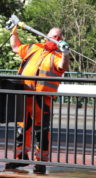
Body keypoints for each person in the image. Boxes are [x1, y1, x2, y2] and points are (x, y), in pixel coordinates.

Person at [5, 26, 70, 174]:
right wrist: (13, 31)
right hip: (25, 97)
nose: (56, 39)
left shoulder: (57, 55)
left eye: (58, 37)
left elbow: (63, 66)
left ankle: (40, 162)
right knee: (22, 129)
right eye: (53, 36)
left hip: (42, 100)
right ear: (46, 36)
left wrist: (66, 53)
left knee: (41, 131)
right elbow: (16, 47)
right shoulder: (34, 48)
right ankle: (19, 158)